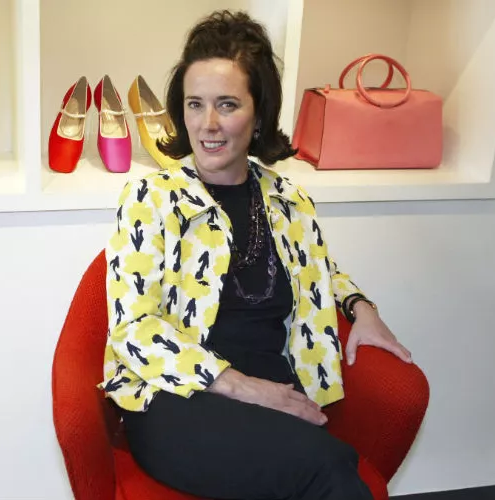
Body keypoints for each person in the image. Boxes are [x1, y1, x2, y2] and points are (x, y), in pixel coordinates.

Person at [99, 9, 413, 500]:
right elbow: (132, 327)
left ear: (260, 112)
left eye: (227, 104)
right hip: (179, 396)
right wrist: (239, 385)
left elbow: (317, 269)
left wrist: (361, 307)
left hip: (273, 392)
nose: (208, 124)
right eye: (195, 104)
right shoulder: (151, 198)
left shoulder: (289, 200)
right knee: (330, 469)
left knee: (326, 466)